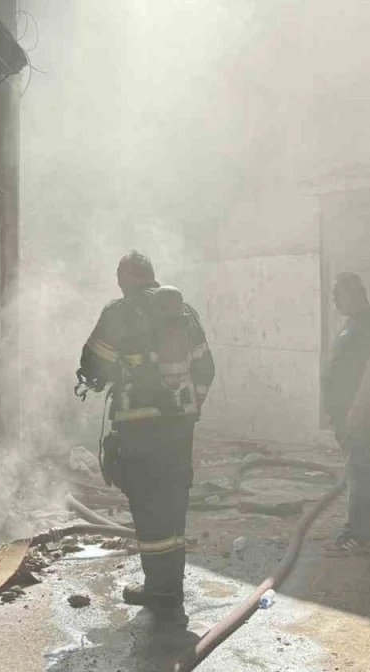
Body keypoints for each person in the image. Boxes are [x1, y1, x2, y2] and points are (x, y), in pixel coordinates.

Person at [75, 251, 215, 612]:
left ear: (126, 278)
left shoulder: (120, 312)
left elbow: (92, 363)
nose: (119, 285)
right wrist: (188, 411)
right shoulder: (185, 313)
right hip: (179, 432)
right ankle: (172, 587)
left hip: (140, 432)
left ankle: (159, 591)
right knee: (173, 503)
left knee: (149, 507)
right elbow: (207, 369)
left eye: (120, 278)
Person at [321, 272, 370, 553]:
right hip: (347, 412)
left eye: (337, 294)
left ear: (354, 292)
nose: (334, 300)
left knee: (360, 469)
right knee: (356, 469)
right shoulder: (353, 323)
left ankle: (360, 535)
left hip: (362, 412)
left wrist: (358, 408)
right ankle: (358, 530)